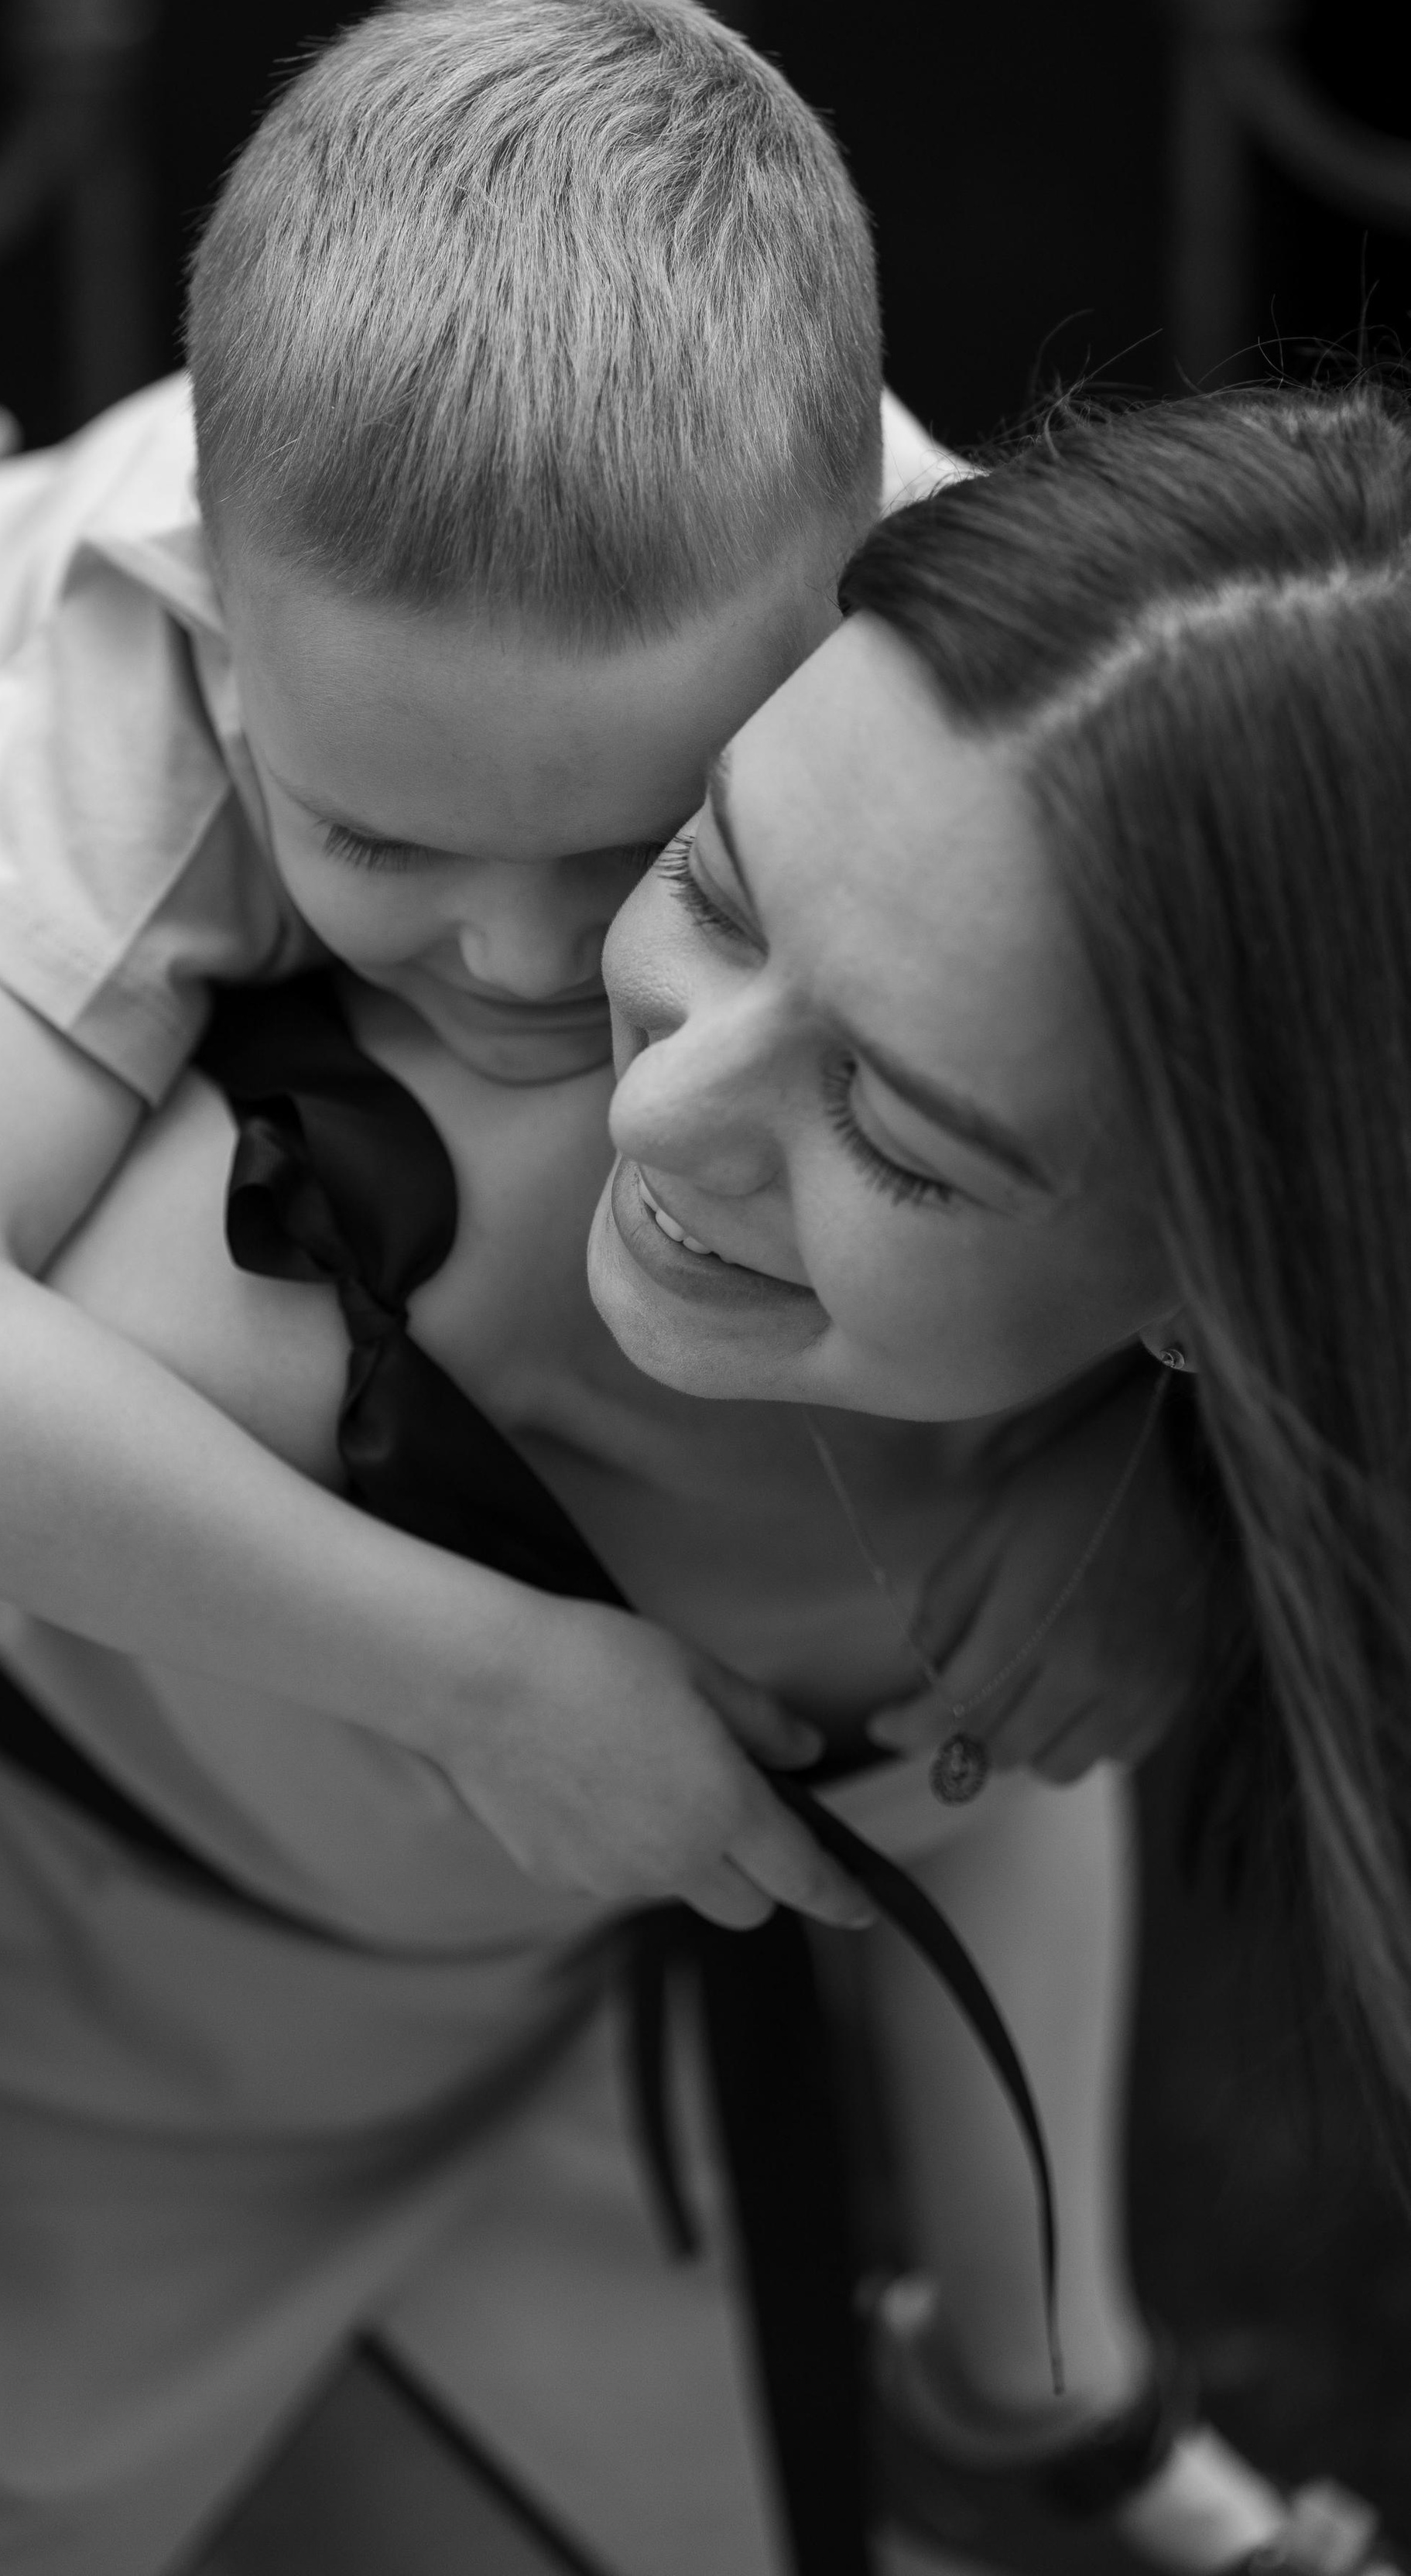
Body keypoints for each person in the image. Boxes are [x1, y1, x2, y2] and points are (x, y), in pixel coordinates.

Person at [0, 0, 1192, 2566]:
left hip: (263, 969)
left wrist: (1127, 1448)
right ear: (245, 675)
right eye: (392, 847)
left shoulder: (940, 604)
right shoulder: (144, 676)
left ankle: (1049, 2393)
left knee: (978, 1678)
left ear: (832, 628)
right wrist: (494, 1676)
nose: (502, 961)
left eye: (626, 855)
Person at [585, 378, 1411, 2571]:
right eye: (711, 880)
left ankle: (1039, 2396)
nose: (649, 1120)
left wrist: (1188, 1486)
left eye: (901, 1139)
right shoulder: (715, 522)